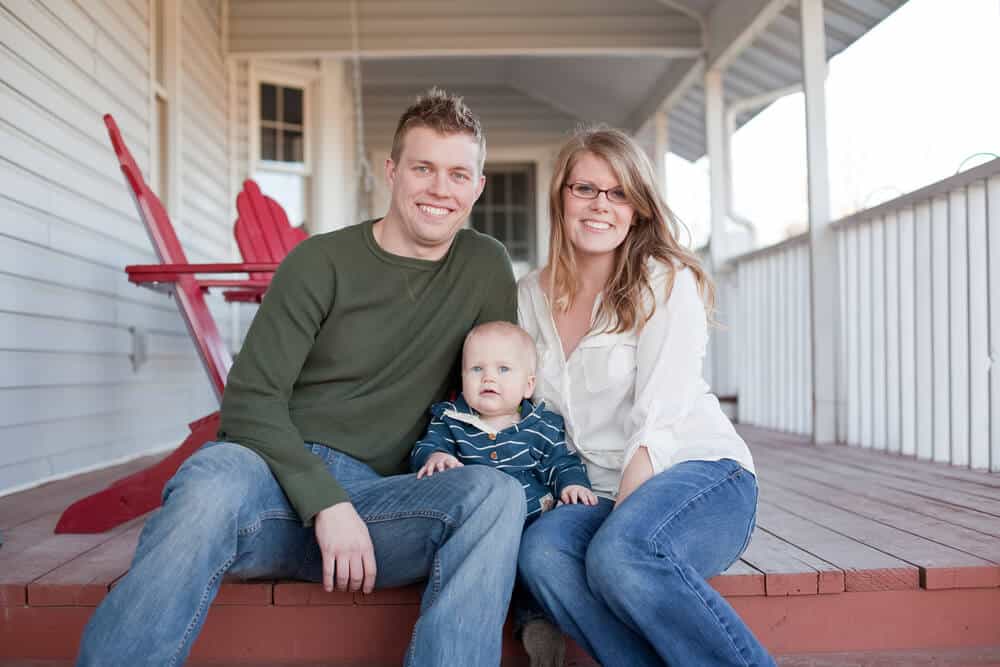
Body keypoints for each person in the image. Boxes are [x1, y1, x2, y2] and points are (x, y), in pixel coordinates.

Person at [77, 89, 527, 667]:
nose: (440, 189)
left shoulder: (484, 266)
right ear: (392, 171)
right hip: (268, 483)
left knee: (495, 496)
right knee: (210, 483)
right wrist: (325, 503)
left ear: (478, 186)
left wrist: (446, 454)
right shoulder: (321, 262)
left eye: (458, 174)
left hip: (380, 509)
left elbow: (493, 396)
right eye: (423, 168)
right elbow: (250, 401)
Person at [516, 127, 776, 667]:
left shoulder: (664, 281)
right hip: (594, 490)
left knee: (622, 553)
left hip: (695, 473)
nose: (600, 205)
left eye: (619, 193)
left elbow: (660, 417)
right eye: (585, 189)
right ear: (560, 196)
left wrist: (620, 522)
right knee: (542, 552)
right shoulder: (529, 296)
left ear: (637, 210)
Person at [410, 320, 596, 521]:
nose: (488, 378)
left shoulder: (541, 427)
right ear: (462, 378)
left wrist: (573, 484)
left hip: (531, 520)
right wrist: (435, 456)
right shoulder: (451, 420)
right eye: (477, 369)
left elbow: (561, 463)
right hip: (473, 518)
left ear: (528, 385)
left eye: (503, 369)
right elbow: (427, 446)